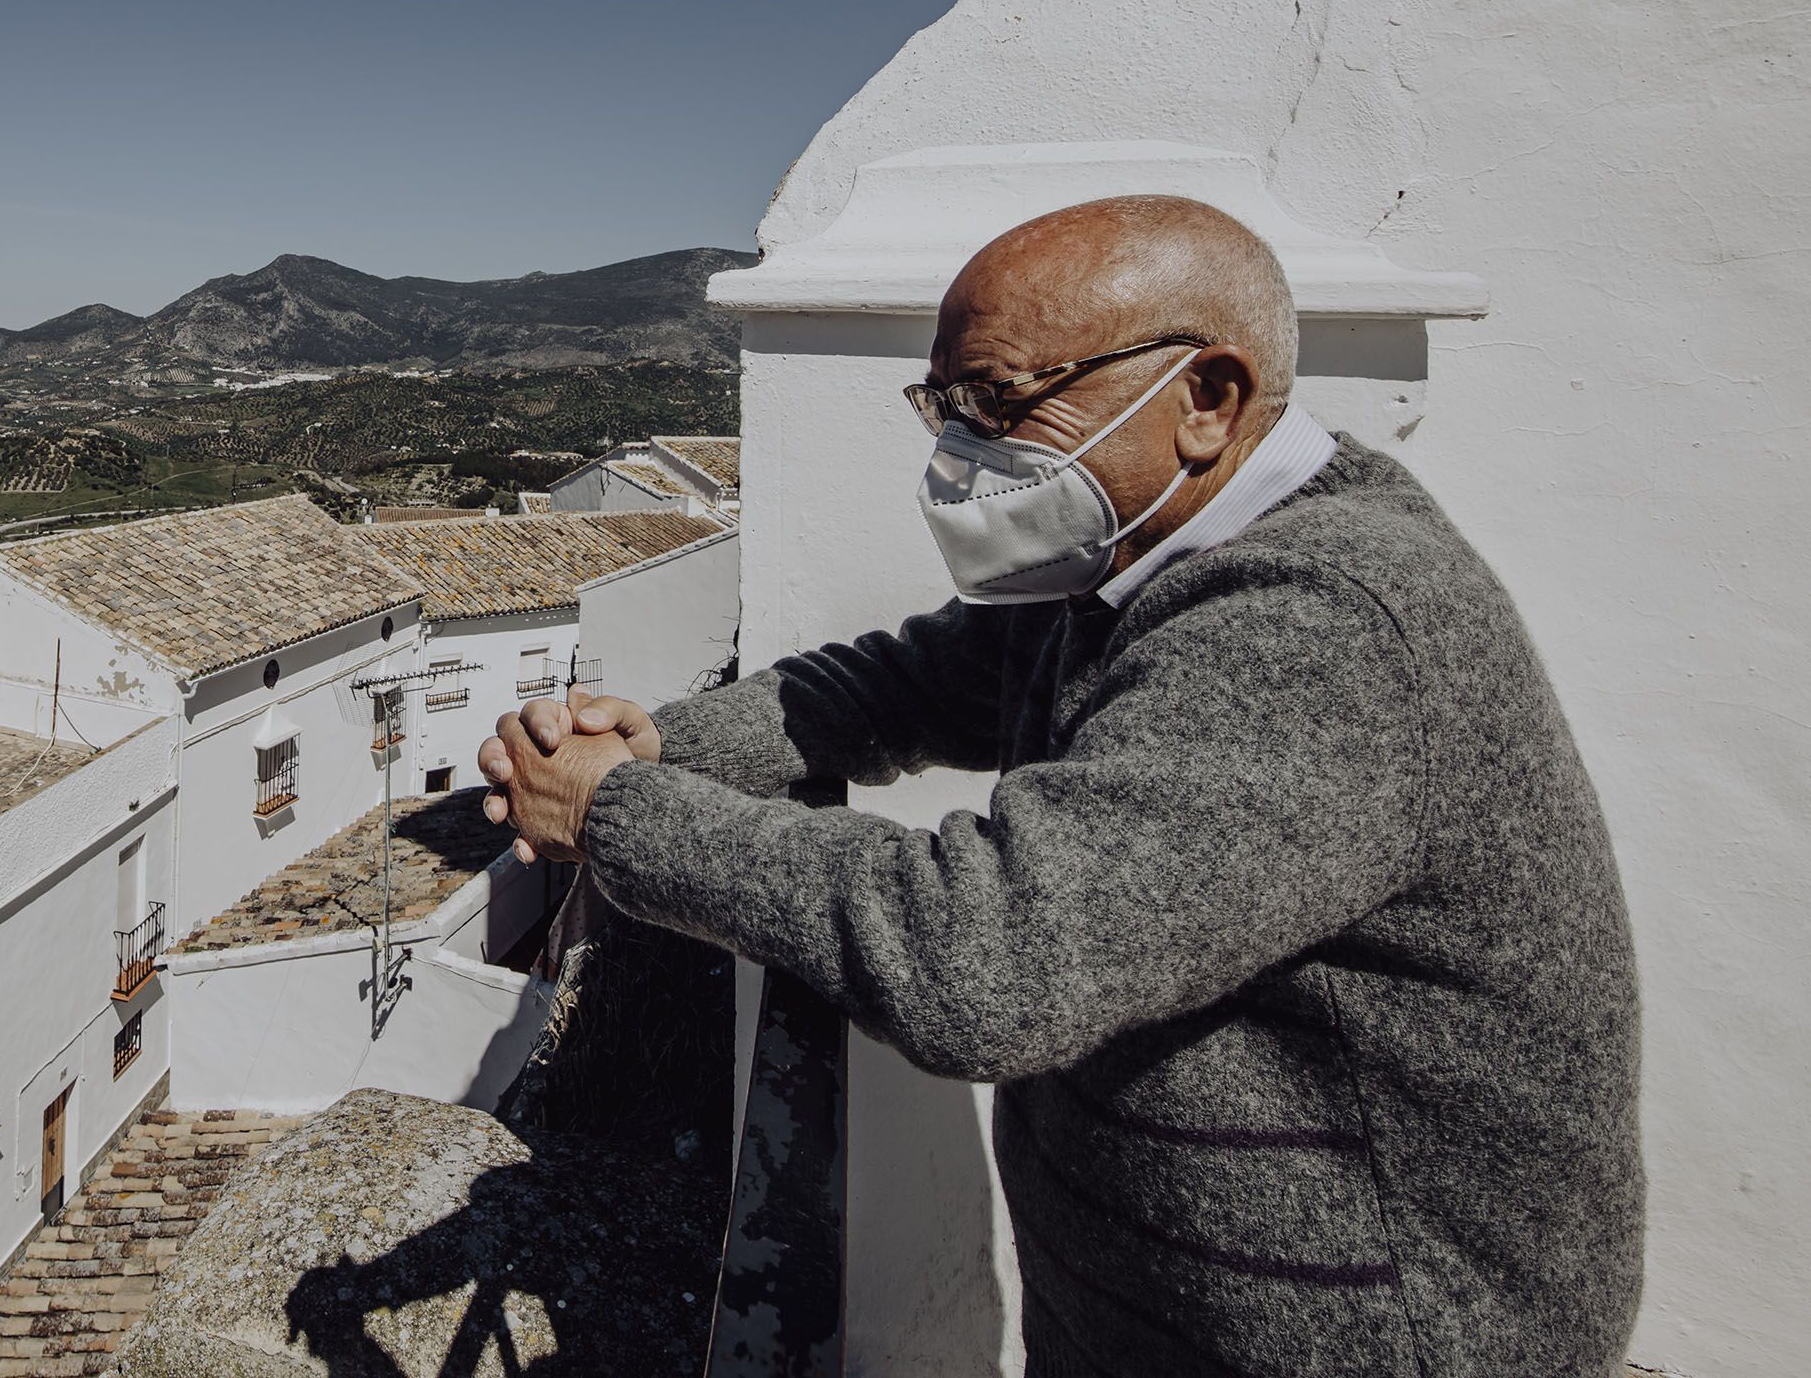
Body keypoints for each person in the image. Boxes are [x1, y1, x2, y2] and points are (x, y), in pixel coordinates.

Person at [479, 195, 1643, 1376]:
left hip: (1360, 1338)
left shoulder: (1318, 625)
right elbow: (912, 683)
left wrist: (613, 809)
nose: (962, 450)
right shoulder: (1149, 565)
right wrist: (659, 741)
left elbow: (980, 957)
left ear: (1208, 400)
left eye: (1000, 399)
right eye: (944, 406)